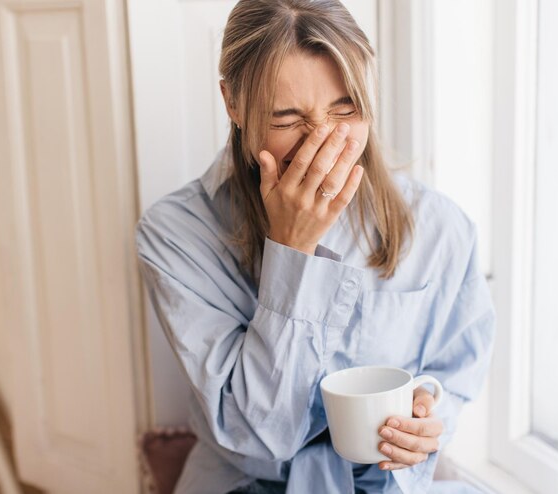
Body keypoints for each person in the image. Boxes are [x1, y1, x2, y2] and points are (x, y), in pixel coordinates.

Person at [135, 0, 495, 492]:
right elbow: (255, 435)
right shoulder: (175, 235)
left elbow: (454, 375)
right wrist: (292, 252)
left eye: (345, 108)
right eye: (287, 120)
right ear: (233, 104)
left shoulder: (438, 227)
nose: (323, 143)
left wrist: (427, 423)